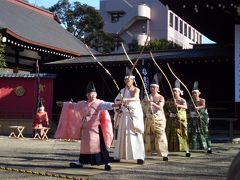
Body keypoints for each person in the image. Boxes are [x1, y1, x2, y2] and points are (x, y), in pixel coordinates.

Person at [54, 81, 121, 171]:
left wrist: (116, 104)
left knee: (100, 147)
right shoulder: (82, 104)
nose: (92, 96)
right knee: (85, 147)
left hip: (96, 130)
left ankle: (106, 162)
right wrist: (63, 104)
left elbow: (108, 105)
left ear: (96, 94)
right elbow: (73, 106)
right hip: (86, 130)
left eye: (93, 94)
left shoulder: (99, 103)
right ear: (87, 95)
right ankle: (82, 161)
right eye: (89, 94)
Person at [112, 75, 145, 164]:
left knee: (135, 134)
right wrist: (119, 105)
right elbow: (117, 100)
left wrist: (124, 99)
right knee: (122, 134)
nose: (127, 82)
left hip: (134, 115)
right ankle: (119, 155)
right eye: (126, 80)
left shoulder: (136, 90)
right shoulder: (122, 91)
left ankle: (139, 157)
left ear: (133, 81)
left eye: (129, 80)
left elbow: (135, 98)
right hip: (124, 114)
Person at [142, 79, 169, 161]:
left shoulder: (161, 97)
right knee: (148, 135)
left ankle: (163, 153)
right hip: (149, 117)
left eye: (154, 87)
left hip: (158, 118)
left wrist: (152, 103)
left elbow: (160, 107)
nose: (152, 89)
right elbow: (142, 106)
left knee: (160, 134)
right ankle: (147, 152)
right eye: (151, 87)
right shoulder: (147, 96)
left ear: (158, 89)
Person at [164, 80, 191, 157]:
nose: (174, 92)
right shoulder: (169, 101)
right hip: (171, 120)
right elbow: (164, 108)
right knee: (169, 133)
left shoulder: (182, 100)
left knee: (182, 133)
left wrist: (178, 105)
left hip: (179, 120)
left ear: (179, 92)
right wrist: (168, 114)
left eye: (176, 91)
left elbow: (185, 107)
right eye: (173, 91)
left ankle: (185, 149)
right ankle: (169, 148)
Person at [187, 81, 212, 153]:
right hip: (193, 120)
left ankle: (208, 147)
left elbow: (203, 106)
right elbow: (188, 109)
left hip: (201, 119)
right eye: (193, 93)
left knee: (204, 132)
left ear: (199, 93)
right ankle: (190, 148)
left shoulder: (202, 100)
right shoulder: (190, 101)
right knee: (191, 133)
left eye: (195, 93)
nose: (194, 94)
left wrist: (198, 108)